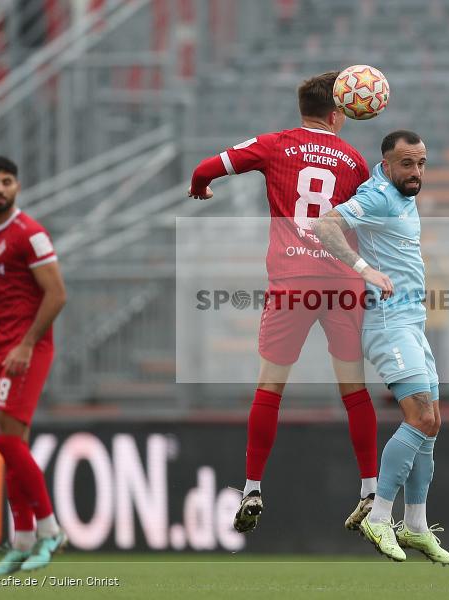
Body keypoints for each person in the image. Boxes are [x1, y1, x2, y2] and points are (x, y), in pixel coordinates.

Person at [187, 71, 379, 534]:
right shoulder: (354, 160)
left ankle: (253, 485)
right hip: (340, 284)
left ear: (302, 110)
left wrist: (200, 186)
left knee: (270, 387)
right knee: (354, 390)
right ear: (338, 115)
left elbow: (206, 167)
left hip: (291, 283)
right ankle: (371, 490)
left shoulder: (275, 144)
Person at [315, 130, 449, 565]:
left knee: (432, 423)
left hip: (413, 322)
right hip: (387, 322)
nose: (416, 173)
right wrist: (364, 268)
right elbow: (325, 225)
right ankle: (379, 516)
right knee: (419, 415)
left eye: (422, 164)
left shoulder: (402, 193)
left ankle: (415, 526)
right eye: (407, 165)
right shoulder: (376, 194)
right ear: (388, 164)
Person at [0, 156, 68, 575]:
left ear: (17, 187)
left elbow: (56, 294)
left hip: (29, 348)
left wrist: (25, 344)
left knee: (5, 443)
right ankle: (22, 543)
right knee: (8, 444)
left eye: (6, 181)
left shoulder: (32, 234)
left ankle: (50, 530)